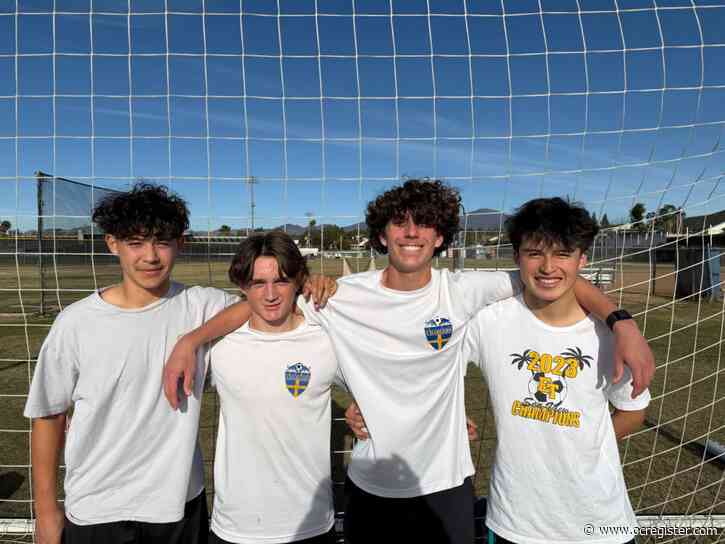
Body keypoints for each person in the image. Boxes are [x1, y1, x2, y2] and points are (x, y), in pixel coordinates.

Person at [164, 180, 655, 544]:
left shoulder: (466, 292)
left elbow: (555, 273)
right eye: (400, 222)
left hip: (447, 486)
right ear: (382, 234)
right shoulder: (340, 297)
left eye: (425, 223)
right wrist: (192, 340)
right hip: (370, 486)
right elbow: (263, 300)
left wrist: (621, 321)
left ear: (441, 237)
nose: (412, 232)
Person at [24, 183, 336, 544]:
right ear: (112, 244)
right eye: (136, 242)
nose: (151, 256)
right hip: (97, 508)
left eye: (162, 242)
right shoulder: (75, 323)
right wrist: (46, 512)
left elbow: (258, 299)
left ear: (180, 244)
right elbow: (48, 415)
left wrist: (191, 339)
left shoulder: (200, 305)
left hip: (178, 507)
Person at [464, 197, 649, 543]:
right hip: (514, 523)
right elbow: (436, 365)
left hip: (600, 522)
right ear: (517, 257)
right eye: (534, 253)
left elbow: (633, 411)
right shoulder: (489, 322)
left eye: (563, 254)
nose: (548, 267)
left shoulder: (608, 337)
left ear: (583, 259)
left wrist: (585, 442)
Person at [206, 232, 341, 544]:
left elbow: (371, 387)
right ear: (243, 287)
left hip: (311, 524)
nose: (270, 295)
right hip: (236, 528)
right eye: (258, 283)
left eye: (281, 281)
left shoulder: (325, 338)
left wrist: (359, 412)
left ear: (298, 282)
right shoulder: (220, 345)